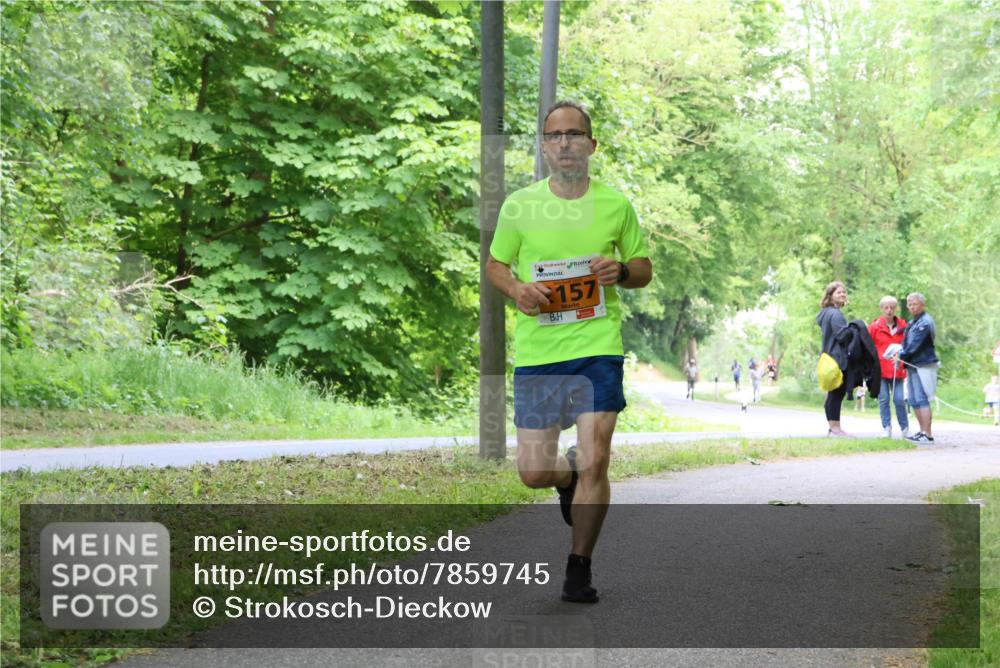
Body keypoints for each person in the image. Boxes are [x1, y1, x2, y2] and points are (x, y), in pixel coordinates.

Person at [486, 101, 652, 604]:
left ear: (591, 145)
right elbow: (495, 266)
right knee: (534, 472)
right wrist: (517, 291)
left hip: (597, 347)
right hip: (540, 353)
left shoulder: (615, 205)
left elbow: (643, 267)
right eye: (554, 135)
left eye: (574, 134)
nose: (564, 143)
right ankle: (569, 475)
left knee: (598, 457)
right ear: (543, 145)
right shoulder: (520, 205)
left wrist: (620, 272)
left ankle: (578, 568)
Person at [894, 292, 939, 443]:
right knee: (913, 399)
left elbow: (914, 346)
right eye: (910, 304)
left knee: (921, 398)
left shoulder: (925, 322)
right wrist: (901, 354)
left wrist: (900, 356)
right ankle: (921, 432)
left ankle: (928, 433)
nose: (912, 307)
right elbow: (906, 342)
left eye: (915, 304)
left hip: (923, 365)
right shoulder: (913, 322)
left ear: (922, 305)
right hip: (912, 365)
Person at [868, 296, 910, 438]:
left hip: (897, 369)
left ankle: (905, 429)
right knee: (884, 399)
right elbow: (868, 347)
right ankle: (886, 428)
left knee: (899, 400)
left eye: (892, 307)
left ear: (895, 308)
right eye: (886, 307)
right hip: (879, 370)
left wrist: (903, 360)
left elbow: (908, 346)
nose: (889, 310)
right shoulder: (874, 327)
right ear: (881, 309)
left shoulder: (903, 326)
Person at [816, 281, 850, 436]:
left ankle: (834, 428)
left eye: (844, 292)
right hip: (837, 358)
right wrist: (855, 330)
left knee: (832, 394)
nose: (842, 294)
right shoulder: (835, 314)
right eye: (838, 292)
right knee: (836, 394)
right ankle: (835, 429)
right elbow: (842, 336)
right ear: (830, 296)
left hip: (827, 357)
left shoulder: (825, 313)